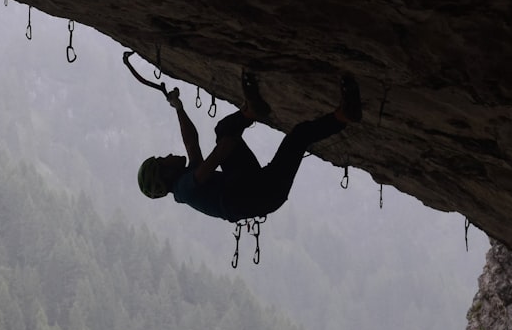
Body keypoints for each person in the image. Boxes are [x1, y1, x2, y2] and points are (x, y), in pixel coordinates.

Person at [137, 70, 362, 221]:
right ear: (165, 173)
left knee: (293, 137)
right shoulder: (184, 188)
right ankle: (343, 115)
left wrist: (179, 108)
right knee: (294, 136)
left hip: (253, 189)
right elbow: (212, 161)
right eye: (161, 160)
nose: (166, 155)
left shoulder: (183, 181)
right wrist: (229, 143)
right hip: (256, 192)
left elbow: (191, 143)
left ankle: (254, 111)